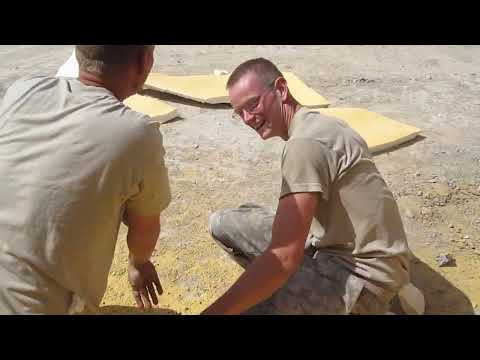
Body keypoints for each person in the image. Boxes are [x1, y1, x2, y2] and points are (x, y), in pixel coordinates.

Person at [203, 58, 412, 315]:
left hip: (363, 280)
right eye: (239, 112)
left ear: (281, 89)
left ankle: (378, 306)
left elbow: (284, 257)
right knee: (223, 222)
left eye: (253, 104)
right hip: (357, 254)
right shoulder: (320, 124)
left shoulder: (303, 145)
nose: (247, 118)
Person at [0, 45, 171, 314]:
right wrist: (139, 264)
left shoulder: (23, 90)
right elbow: (145, 226)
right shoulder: (136, 134)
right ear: (145, 62)